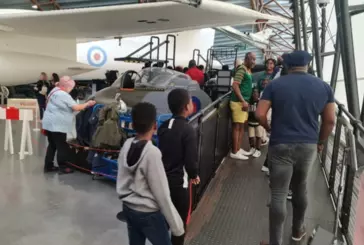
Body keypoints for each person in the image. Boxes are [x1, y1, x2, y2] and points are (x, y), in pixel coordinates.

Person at [256, 50, 336, 245]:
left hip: (281, 143)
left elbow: (259, 114)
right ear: (308, 65)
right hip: (308, 145)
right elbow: (330, 121)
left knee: (278, 193)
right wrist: (320, 142)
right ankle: (297, 232)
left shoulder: (275, 85)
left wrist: (269, 128)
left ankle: (275, 242)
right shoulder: (324, 87)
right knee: (301, 188)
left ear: (288, 66)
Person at [116, 102, 184, 245]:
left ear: (133, 125)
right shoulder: (152, 153)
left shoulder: (127, 145)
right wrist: (177, 227)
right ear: (155, 126)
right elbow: (162, 194)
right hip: (148, 214)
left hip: (128, 208)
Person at [158, 88, 201, 245]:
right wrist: (194, 175)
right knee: (179, 225)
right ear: (186, 107)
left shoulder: (163, 126)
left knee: (164, 220)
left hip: (162, 182)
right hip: (178, 185)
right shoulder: (188, 130)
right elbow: (190, 160)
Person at [42, 76, 96, 174]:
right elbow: (77, 107)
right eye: (71, 87)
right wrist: (88, 104)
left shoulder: (54, 91)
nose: (71, 90)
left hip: (49, 123)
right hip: (58, 125)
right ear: (67, 86)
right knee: (62, 146)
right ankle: (63, 167)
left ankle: (48, 165)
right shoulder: (63, 95)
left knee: (52, 145)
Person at [229, 52, 256, 160]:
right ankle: (234, 151)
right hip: (238, 102)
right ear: (246, 59)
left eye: (255, 59)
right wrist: (243, 101)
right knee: (237, 127)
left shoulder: (248, 70)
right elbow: (235, 85)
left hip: (244, 102)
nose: (254, 61)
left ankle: (238, 148)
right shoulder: (242, 69)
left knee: (241, 127)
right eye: (252, 59)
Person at [248, 88, 263, 158]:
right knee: (251, 136)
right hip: (250, 121)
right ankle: (252, 148)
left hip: (258, 123)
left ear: (259, 94)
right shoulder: (249, 101)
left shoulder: (260, 102)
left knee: (258, 136)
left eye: (256, 92)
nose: (255, 94)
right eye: (253, 92)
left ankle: (258, 150)